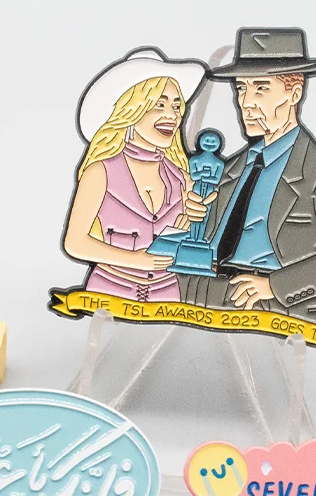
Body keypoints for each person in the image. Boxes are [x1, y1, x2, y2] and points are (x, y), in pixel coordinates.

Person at [180, 28, 316, 328]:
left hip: (284, 309)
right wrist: (190, 216)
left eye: (261, 88)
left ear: (295, 93)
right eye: (241, 89)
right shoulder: (229, 170)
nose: (246, 102)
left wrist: (274, 286)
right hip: (206, 298)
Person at [63, 49, 215, 304]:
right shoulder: (100, 172)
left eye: (177, 106)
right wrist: (134, 260)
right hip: (108, 294)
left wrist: (199, 218)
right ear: (133, 110)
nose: (172, 115)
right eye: (159, 105)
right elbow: (75, 243)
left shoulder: (181, 176)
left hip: (168, 297)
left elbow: (195, 242)